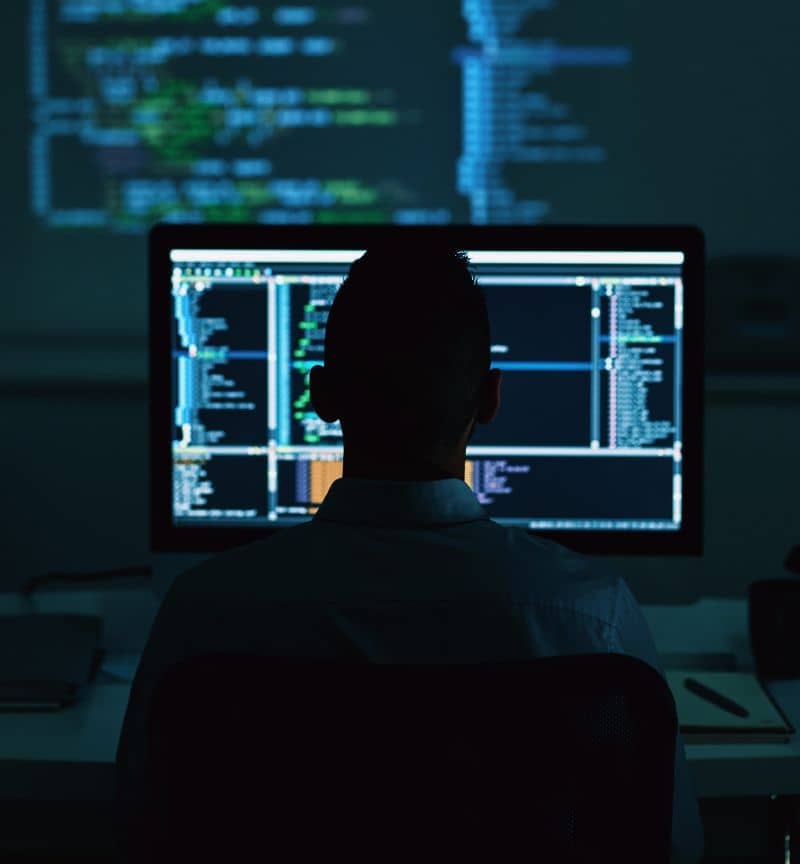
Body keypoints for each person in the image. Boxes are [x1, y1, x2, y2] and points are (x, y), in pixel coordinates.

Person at [115, 245, 704, 862]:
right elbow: (669, 848)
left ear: (320, 396)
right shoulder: (592, 616)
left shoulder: (206, 609)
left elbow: (141, 833)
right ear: (491, 399)